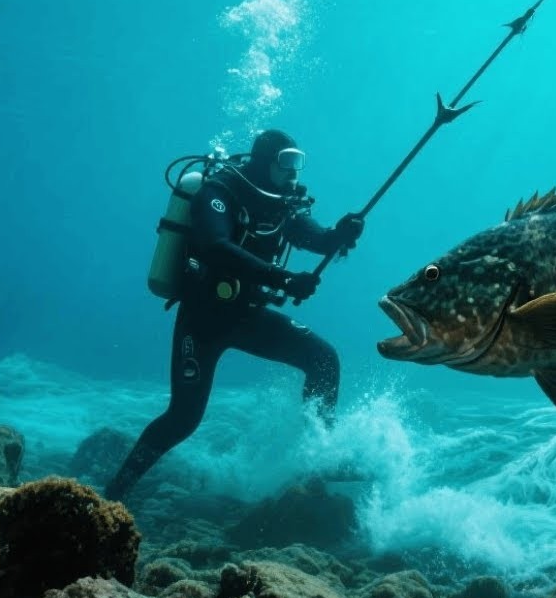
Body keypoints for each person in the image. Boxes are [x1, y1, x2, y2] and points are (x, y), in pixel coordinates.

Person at [105, 129, 365, 501]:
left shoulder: (282, 202)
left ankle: (319, 460)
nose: (294, 171)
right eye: (286, 161)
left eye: (299, 161)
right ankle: (114, 492)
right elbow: (215, 246)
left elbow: (316, 238)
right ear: (264, 161)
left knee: (322, 359)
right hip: (204, 318)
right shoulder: (219, 191)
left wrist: (341, 234)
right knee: (182, 420)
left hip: (248, 315)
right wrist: (284, 278)